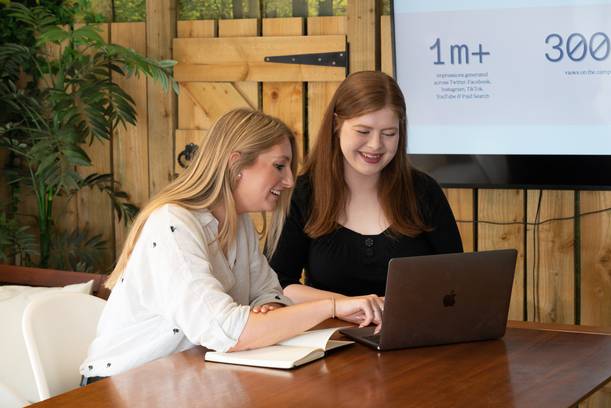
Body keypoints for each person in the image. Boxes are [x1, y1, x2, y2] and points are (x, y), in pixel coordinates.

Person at [80, 109, 383, 383]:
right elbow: (227, 330)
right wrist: (331, 306)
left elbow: (268, 293)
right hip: (119, 389)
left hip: (190, 381)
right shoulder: (173, 224)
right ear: (236, 163)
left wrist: (269, 310)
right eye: (279, 166)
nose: (290, 180)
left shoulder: (239, 225)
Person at [269, 71, 463, 321]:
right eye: (363, 131)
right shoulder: (302, 194)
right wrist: (346, 305)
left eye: (389, 133)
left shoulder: (424, 191)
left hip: (415, 339)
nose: (375, 145)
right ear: (337, 124)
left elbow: (456, 279)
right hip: (328, 341)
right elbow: (278, 284)